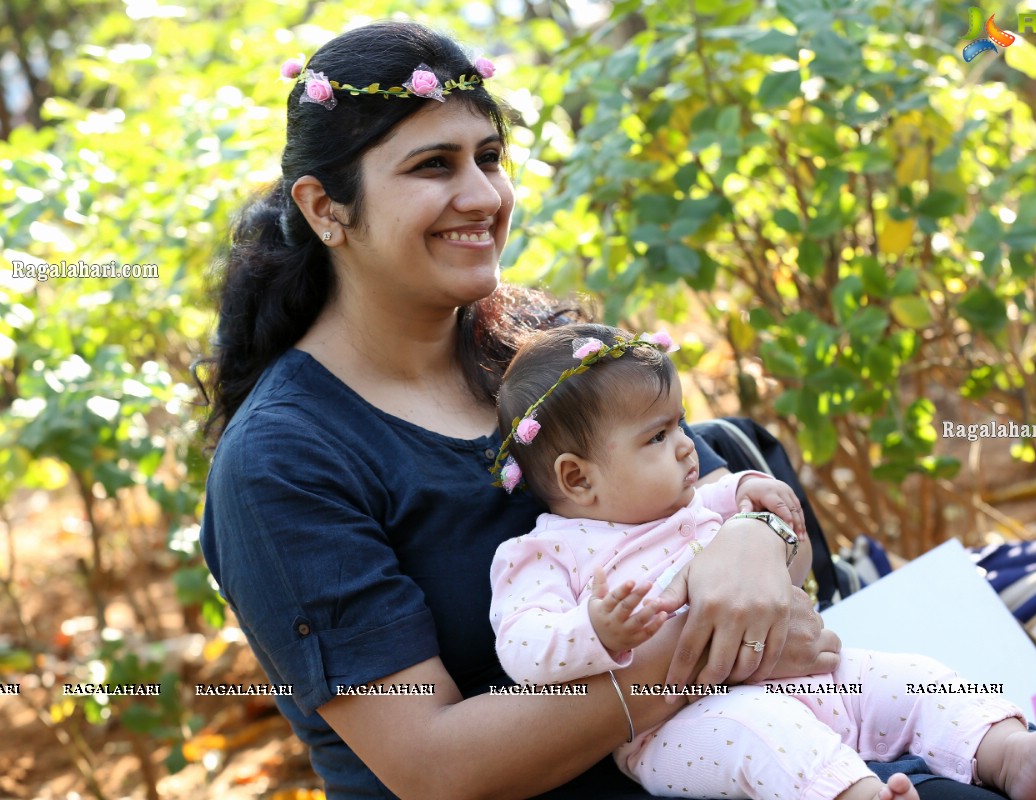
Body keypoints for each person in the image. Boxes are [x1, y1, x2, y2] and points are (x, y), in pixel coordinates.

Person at [198, 20, 844, 800]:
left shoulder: (539, 352)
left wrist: (754, 532)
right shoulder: (285, 462)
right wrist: (707, 647)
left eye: (490, 158)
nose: (482, 195)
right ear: (325, 207)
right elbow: (436, 764)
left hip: (779, 755)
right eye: (433, 165)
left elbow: (772, 564)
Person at [489, 324, 1036, 800]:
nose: (686, 447)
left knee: (914, 678)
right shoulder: (543, 555)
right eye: (657, 437)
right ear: (577, 477)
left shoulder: (690, 500)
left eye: (680, 425)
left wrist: (749, 500)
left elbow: (750, 519)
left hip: (808, 675)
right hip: (688, 725)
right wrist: (592, 633)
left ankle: (1006, 751)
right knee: (763, 734)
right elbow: (522, 647)